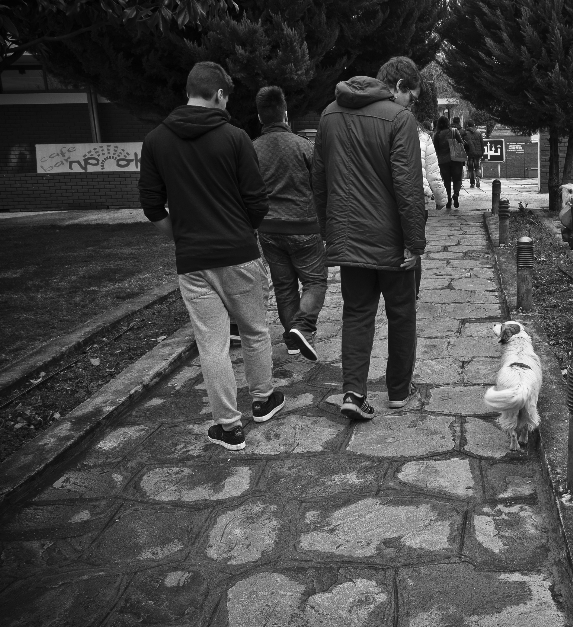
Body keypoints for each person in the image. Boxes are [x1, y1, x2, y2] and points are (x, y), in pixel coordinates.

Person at [139, 61, 284, 451]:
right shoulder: (235, 138)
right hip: (239, 252)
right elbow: (257, 202)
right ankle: (264, 399)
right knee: (254, 331)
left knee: (213, 344)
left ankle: (228, 426)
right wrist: (243, 230)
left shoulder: (155, 140)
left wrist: (181, 239)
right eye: (227, 98)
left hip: (193, 261)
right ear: (219, 94)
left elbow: (151, 205)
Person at [312, 56, 426, 421]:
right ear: (399, 87)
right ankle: (398, 390)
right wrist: (414, 243)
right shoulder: (398, 119)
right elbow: (407, 187)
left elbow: (318, 180)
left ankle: (353, 392)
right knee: (401, 314)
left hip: (349, 239)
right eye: (411, 96)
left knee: (357, 313)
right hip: (392, 241)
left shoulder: (329, 114)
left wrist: (328, 230)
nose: (409, 104)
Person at [252, 86, 327, 362]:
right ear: (285, 113)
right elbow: (319, 186)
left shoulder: (250, 149)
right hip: (304, 226)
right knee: (315, 281)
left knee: (284, 286)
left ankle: (293, 341)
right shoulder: (303, 146)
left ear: (260, 118)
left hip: (269, 229)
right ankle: (302, 326)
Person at [412, 84, 445, 298]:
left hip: (389, 201)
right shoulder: (424, 137)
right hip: (418, 200)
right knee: (414, 248)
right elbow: (433, 173)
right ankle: (413, 291)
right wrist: (441, 199)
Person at [433, 115, 465, 209]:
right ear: (448, 123)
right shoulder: (454, 131)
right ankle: (456, 194)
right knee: (457, 179)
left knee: (446, 180)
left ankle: (449, 199)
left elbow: (436, 149)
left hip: (443, 160)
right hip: (456, 159)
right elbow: (461, 143)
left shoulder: (437, 135)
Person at [462, 120, 485, 189]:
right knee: (477, 167)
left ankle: (472, 183)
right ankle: (478, 177)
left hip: (470, 153)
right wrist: (482, 152)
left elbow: (464, 144)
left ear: (468, 125)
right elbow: (482, 143)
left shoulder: (465, 133)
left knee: (471, 169)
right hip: (477, 153)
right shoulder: (478, 132)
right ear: (474, 124)